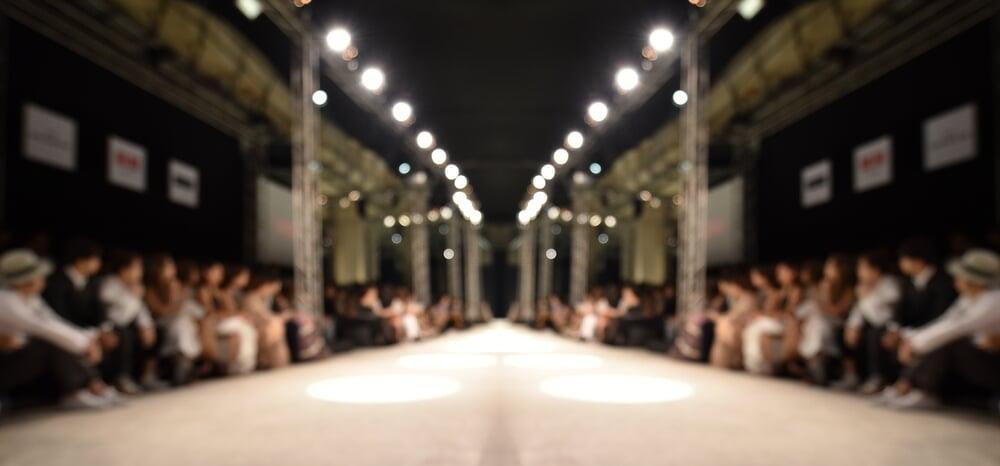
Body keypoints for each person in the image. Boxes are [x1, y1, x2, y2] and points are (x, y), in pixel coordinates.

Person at [879, 249, 1000, 409]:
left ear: (973, 280)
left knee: (946, 342)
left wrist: (914, 344)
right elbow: (944, 323)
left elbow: (957, 328)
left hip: (993, 366)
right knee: (932, 340)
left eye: (960, 275)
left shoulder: (993, 301)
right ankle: (906, 386)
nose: (956, 278)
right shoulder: (968, 298)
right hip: (978, 357)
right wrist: (910, 339)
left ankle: (923, 391)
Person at [0, 249, 119, 409]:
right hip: (7, 365)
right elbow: (43, 328)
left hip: (20, 358)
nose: (43, 278)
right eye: (38, 275)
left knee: (67, 340)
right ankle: (76, 391)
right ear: (24, 281)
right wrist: (85, 343)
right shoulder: (6, 301)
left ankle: (92, 385)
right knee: (53, 342)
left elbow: (55, 322)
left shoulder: (31, 298)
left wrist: (89, 338)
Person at [836, 250, 902, 394]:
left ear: (875, 270)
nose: (859, 272)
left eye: (863, 268)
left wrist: (866, 297)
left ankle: (878, 378)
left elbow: (880, 318)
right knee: (843, 330)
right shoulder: (863, 286)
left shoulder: (890, 285)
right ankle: (851, 375)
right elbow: (858, 312)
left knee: (874, 333)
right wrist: (852, 327)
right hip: (872, 327)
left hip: (889, 328)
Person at [99, 251, 164, 393]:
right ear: (124, 270)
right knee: (125, 334)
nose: (140, 272)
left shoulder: (136, 287)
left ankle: (147, 375)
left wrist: (147, 327)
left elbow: (141, 310)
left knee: (156, 331)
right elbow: (114, 314)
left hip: (128, 325)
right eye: (137, 268)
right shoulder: (110, 284)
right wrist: (130, 294)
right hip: (110, 327)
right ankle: (121, 378)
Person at [145, 254, 202, 384]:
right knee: (181, 325)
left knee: (184, 325)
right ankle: (184, 365)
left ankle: (185, 363)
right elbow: (161, 311)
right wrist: (177, 295)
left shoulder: (175, 285)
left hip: (177, 321)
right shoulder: (150, 288)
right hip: (159, 322)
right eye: (169, 267)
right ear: (158, 269)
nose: (173, 269)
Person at [197, 262, 257, 375]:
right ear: (206, 273)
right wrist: (232, 314)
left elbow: (230, 309)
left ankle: (245, 364)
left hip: (223, 321)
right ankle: (241, 365)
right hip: (212, 324)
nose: (219, 276)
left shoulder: (219, 291)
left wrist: (236, 314)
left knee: (247, 328)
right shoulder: (203, 291)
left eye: (220, 273)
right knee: (243, 328)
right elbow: (210, 313)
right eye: (216, 272)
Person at [711, 270, 759, 370]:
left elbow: (737, 316)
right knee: (723, 325)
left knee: (724, 325)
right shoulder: (737, 299)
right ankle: (724, 361)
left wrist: (719, 318)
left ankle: (726, 361)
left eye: (731, 287)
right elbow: (732, 316)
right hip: (736, 326)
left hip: (744, 326)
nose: (729, 290)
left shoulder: (747, 298)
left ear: (737, 285)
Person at [242, 274, 290, 370]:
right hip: (254, 327)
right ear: (264, 285)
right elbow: (263, 316)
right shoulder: (251, 298)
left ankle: (275, 361)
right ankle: (272, 361)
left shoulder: (264, 298)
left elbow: (267, 316)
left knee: (275, 326)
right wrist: (280, 318)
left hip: (263, 326)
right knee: (275, 326)